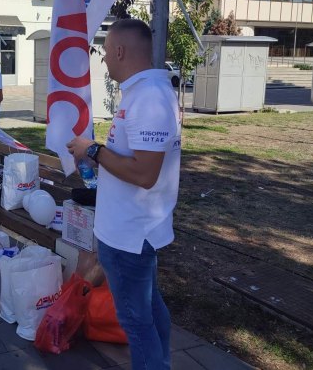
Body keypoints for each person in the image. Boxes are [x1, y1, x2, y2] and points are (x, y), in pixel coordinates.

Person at [66, 19, 181, 370]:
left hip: (130, 233)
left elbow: (145, 175)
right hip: (129, 229)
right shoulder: (142, 92)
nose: (102, 61)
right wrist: (95, 154)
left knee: (135, 320)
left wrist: (93, 150)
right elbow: (134, 162)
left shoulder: (148, 97)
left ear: (119, 51)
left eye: (104, 53)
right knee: (147, 308)